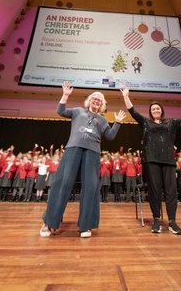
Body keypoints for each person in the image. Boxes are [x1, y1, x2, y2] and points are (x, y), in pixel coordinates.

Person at [120, 86, 181, 235]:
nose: (155, 110)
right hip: (151, 160)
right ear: (150, 113)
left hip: (168, 161)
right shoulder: (146, 122)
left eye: (157, 108)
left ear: (162, 110)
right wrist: (126, 96)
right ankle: (156, 220)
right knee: (154, 191)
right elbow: (133, 112)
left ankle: (172, 221)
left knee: (171, 191)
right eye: (153, 109)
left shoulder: (171, 122)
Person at [40, 81, 126, 238]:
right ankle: (49, 222)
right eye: (94, 98)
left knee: (91, 187)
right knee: (63, 184)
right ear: (89, 100)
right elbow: (60, 111)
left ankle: (86, 225)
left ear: (102, 104)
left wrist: (118, 123)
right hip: (73, 148)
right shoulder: (78, 111)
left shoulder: (102, 120)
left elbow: (110, 136)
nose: (96, 100)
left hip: (93, 153)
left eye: (99, 100)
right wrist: (65, 95)